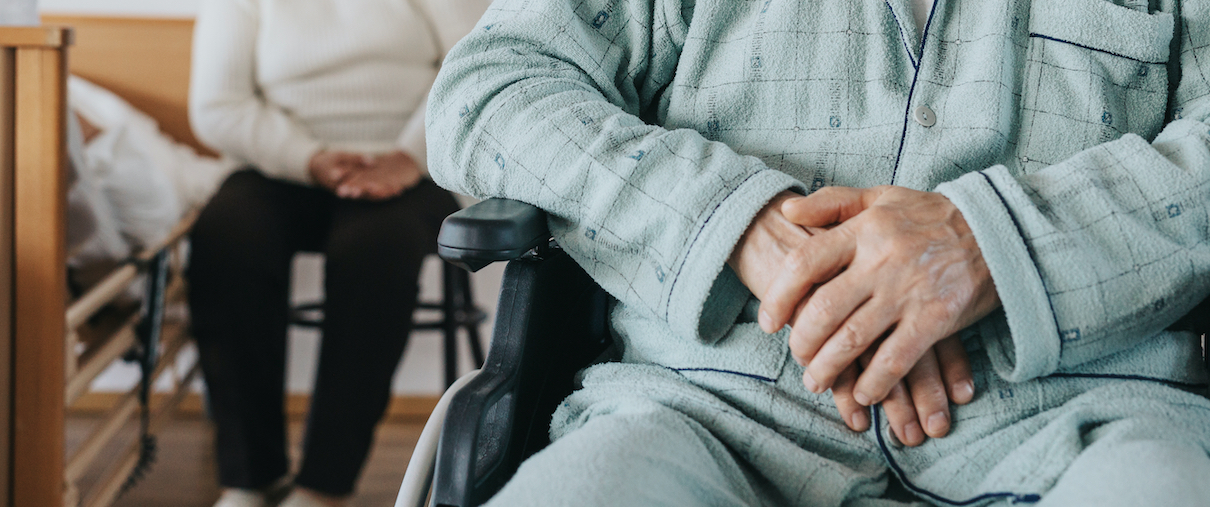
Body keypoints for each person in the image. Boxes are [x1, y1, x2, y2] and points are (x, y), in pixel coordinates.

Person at [428, 0, 1210, 505]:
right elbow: (489, 89)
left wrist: (988, 243)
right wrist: (750, 228)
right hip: (705, 413)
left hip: (1083, 418)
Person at [184, 0, 488, 506]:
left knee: (375, 250)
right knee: (225, 236)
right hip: (281, 163)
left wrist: (408, 158)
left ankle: (324, 487)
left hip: (411, 164)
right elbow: (218, 106)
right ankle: (249, 478)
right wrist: (309, 160)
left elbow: (479, 64)